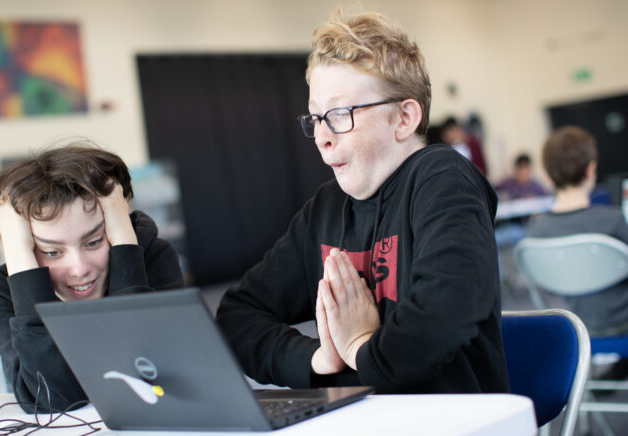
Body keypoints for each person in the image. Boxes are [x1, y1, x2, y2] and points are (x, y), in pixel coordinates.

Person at [216, 11, 509, 394]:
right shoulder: (325, 209)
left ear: (403, 118)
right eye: (316, 118)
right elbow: (236, 318)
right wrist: (320, 360)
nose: (321, 136)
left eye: (339, 115)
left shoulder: (442, 179)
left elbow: (440, 321)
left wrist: (358, 347)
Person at [0, 141, 184, 412]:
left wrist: (124, 243)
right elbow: (50, 399)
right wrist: (17, 254)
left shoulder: (151, 259)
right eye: (51, 251)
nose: (79, 268)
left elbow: (149, 378)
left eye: (94, 242)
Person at [529, 126, 628, 337]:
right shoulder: (614, 219)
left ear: (547, 177)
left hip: (579, 328)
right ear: (591, 170)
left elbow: (548, 287)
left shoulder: (538, 229)